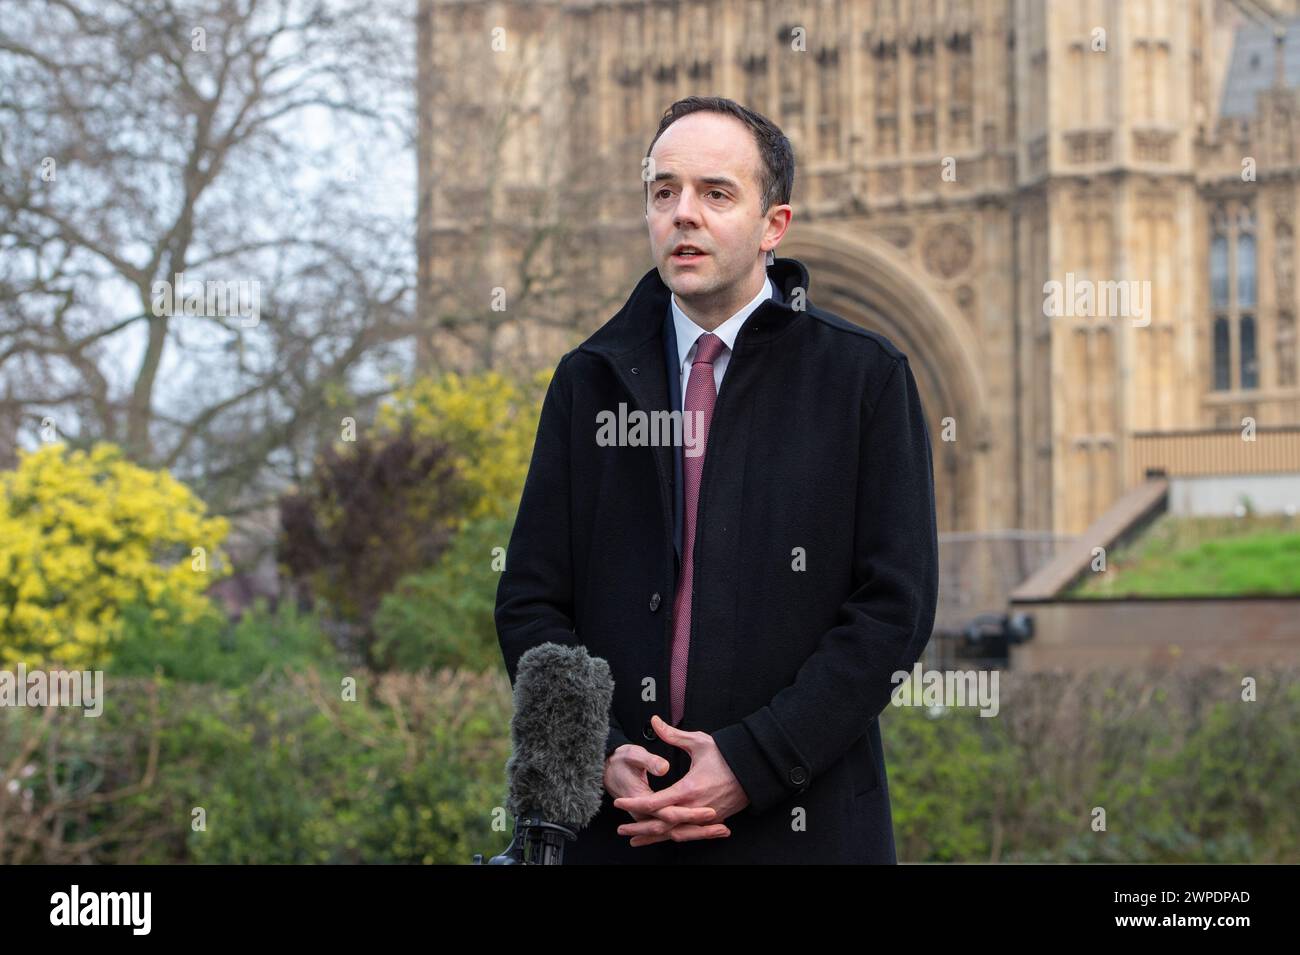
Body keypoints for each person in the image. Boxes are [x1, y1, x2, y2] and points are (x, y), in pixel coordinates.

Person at [495, 95, 938, 863]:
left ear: (775, 225)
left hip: (804, 830)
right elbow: (532, 600)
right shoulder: (587, 382)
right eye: (663, 192)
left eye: (715, 193)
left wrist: (752, 760)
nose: (683, 214)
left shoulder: (863, 379)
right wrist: (597, 752)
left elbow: (893, 613)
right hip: (621, 829)